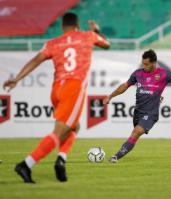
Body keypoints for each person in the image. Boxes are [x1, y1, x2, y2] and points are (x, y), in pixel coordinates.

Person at [3, 12, 110, 183]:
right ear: (77, 26)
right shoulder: (87, 36)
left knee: (73, 127)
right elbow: (107, 45)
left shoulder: (53, 43)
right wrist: (97, 31)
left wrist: (16, 79)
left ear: (62, 27)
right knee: (59, 133)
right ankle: (26, 164)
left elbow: (35, 60)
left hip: (56, 90)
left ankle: (61, 159)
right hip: (73, 87)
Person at [103, 49, 171, 163]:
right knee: (135, 134)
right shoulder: (137, 74)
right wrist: (110, 96)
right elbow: (125, 85)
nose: (144, 66)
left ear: (154, 63)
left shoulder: (163, 74)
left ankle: (115, 157)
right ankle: (118, 155)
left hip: (151, 113)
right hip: (138, 112)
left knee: (136, 132)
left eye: (147, 64)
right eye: (143, 64)